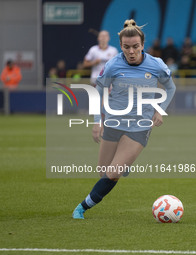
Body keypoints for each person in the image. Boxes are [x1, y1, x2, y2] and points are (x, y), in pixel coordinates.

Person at [72, 19, 176, 219]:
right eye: (127, 47)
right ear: (120, 47)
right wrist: (97, 120)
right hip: (113, 122)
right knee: (103, 170)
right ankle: (119, 168)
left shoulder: (156, 65)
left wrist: (160, 110)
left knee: (112, 172)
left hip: (139, 126)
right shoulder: (113, 64)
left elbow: (170, 87)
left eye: (136, 47)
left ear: (143, 45)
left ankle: (82, 208)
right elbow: (99, 89)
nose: (131, 51)